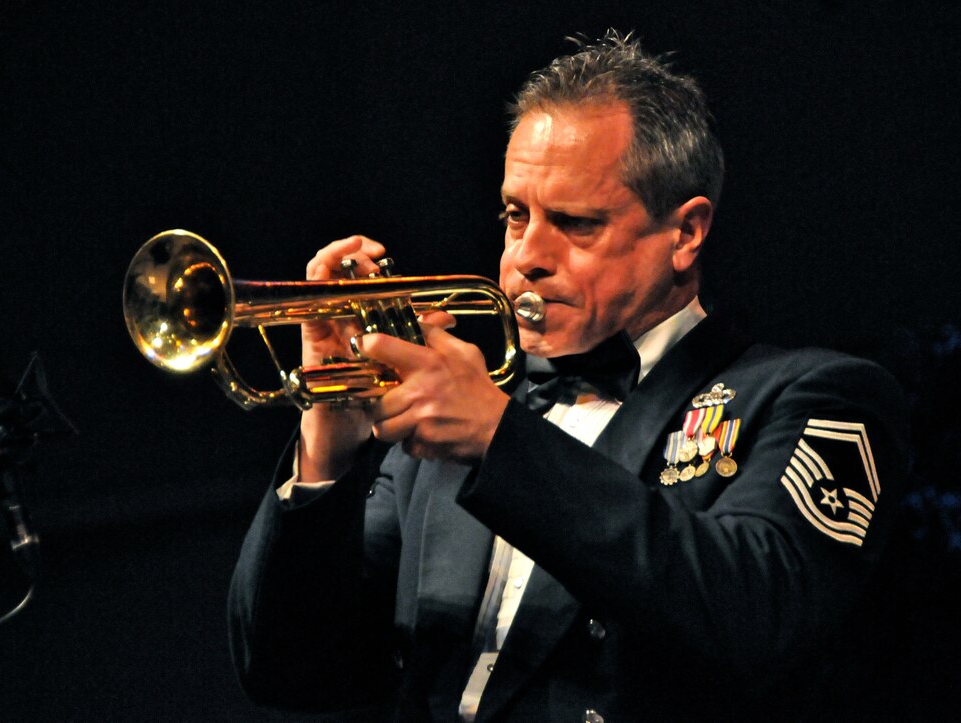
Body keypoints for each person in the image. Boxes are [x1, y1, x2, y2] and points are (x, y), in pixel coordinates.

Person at [228, 30, 908, 722]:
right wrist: (328, 443)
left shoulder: (818, 395)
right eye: (515, 215)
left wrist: (500, 437)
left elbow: (754, 615)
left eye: (576, 224)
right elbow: (289, 666)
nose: (526, 256)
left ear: (686, 233)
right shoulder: (452, 425)